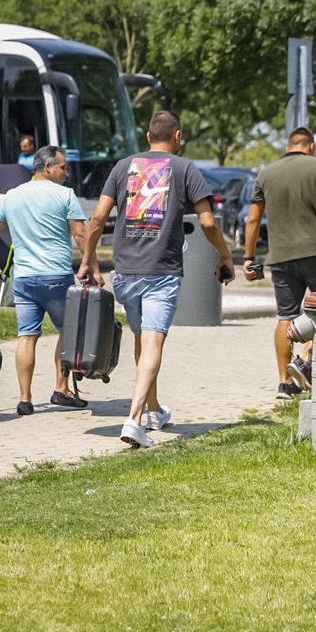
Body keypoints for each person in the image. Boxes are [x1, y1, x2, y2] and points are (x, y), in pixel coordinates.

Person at [78, 110, 235, 448]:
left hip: (125, 272)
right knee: (152, 342)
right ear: (177, 136)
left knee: (142, 339)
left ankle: (153, 410)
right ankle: (134, 421)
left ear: (148, 136)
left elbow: (97, 219)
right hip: (160, 272)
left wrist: (89, 260)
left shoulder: (123, 167)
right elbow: (207, 222)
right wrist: (224, 254)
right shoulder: (185, 168)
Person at [0, 145, 88, 415]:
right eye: (63, 167)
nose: (67, 172)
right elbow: (80, 234)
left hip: (25, 278)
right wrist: (91, 264)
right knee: (68, 330)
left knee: (27, 337)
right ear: (48, 167)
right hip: (56, 277)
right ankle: (61, 389)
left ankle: (25, 399)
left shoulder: (13, 195)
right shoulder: (65, 195)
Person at [242, 127, 316, 398]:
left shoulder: (266, 172)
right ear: (309, 146)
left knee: (286, 316)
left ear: (289, 145)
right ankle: (307, 361)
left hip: (280, 257)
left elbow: (252, 219)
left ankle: (285, 383)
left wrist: (249, 258)